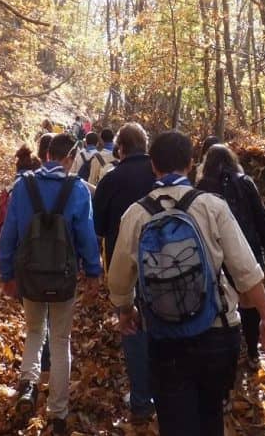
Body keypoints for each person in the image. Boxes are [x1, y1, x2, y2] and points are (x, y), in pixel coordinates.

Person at [107, 130, 265, 436]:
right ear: (190, 164)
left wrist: (125, 310)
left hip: (163, 333)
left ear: (153, 166)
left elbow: (119, 280)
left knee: (174, 420)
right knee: (211, 413)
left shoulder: (135, 215)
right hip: (217, 331)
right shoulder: (212, 206)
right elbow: (245, 270)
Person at [0, 133, 102, 435]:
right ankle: (58, 413)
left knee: (33, 332)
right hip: (63, 277)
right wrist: (93, 273)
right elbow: (86, 235)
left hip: (29, 275)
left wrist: (7, 274)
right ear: (70, 158)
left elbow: (9, 234)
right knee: (60, 341)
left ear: (46, 155)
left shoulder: (23, 186)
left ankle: (28, 386)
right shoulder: (78, 190)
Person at [91, 123, 156, 424]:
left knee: (131, 326)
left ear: (120, 148)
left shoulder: (111, 179)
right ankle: (168, 392)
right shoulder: (160, 174)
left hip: (125, 262)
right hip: (168, 262)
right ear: (145, 145)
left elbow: (99, 227)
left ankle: (142, 400)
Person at [197, 143, 265, 370]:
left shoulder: (202, 187)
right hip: (248, 250)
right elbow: (263, 222)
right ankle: (253, 352)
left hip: (217, 253)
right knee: (248, 301)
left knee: (223, 303)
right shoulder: (245, 183)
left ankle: (227, 352)